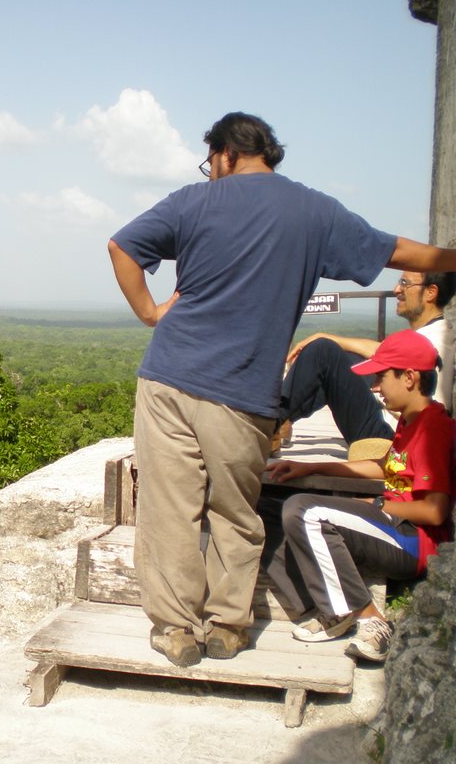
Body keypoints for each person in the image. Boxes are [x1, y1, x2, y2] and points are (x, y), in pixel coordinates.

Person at [108, 110, 456, 667]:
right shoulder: (313, 210)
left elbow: (121, 246)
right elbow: (400, 254)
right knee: (234, 509)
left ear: (223, 154)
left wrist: (151, 312)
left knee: (170, 510)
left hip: (169, 377)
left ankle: (175, 630)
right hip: (242, 389)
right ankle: (226, 627)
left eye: (210, 164)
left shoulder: (191, 202)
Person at [264, 330, 455, 661]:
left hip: (414, 541)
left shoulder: (433, 428)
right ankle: (316, 603)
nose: (376, 386)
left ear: (409, 378)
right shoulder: (410, 422)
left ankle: (369, 619)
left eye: (382, 376)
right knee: (264, 505)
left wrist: (378, 504)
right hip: (391, 523)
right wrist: (310, 468)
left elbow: (435, 512)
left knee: (305, 511)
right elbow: (384, 466)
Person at [275, 270, 454, 451]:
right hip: (391, 426)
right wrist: (327, 336)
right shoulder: (433, 333)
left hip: (392, 438)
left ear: (431, 292)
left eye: (405, 283)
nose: (397, 289)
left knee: (323, 352)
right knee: (347, 359)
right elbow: (379, 350)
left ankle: (269, 421)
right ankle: (283, 421)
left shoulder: (432, 344)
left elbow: (428, 410)